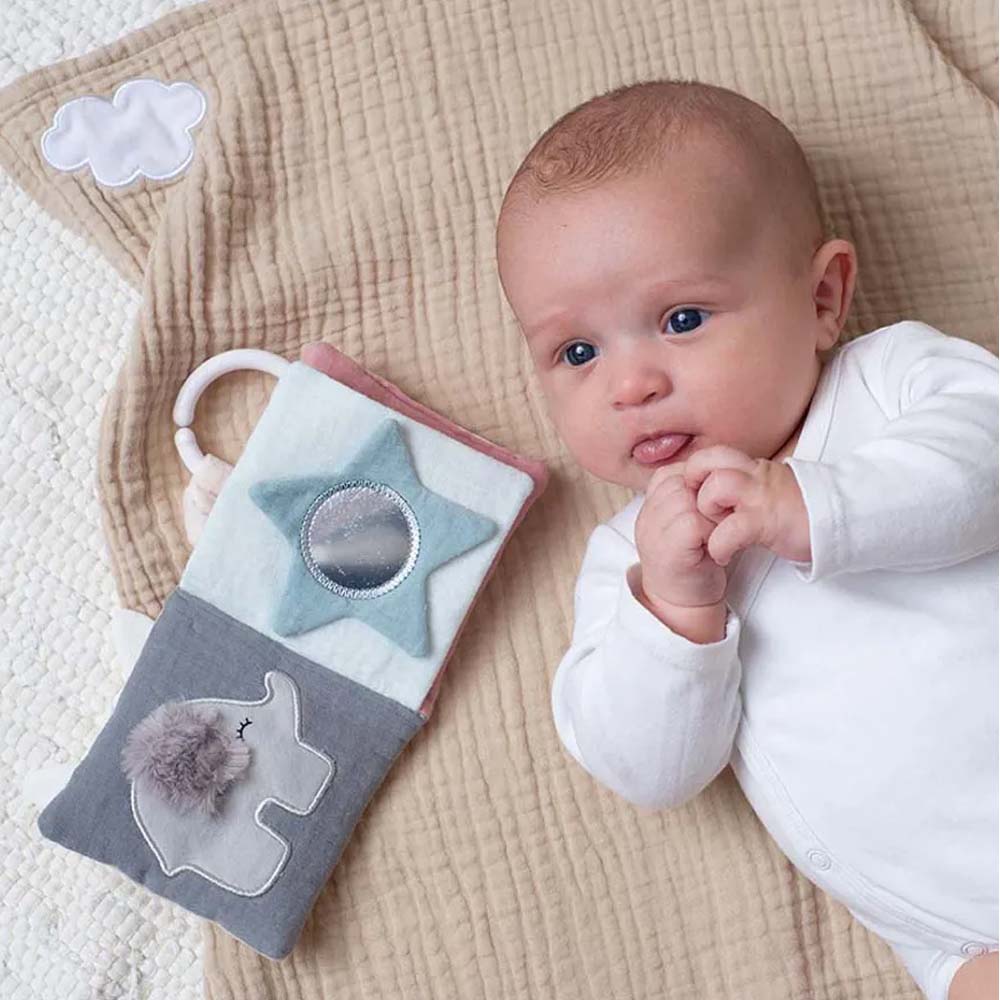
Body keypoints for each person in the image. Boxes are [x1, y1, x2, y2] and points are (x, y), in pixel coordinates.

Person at [495, 79, 999, 1000]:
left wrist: (818, 505)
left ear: (822, 298)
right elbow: (651, 771)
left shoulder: (892, 382)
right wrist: (676, 610)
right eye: (577, 353)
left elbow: (983, 468)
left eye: (682, 320)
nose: (630, 386)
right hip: (962, 938)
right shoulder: (631, 564)